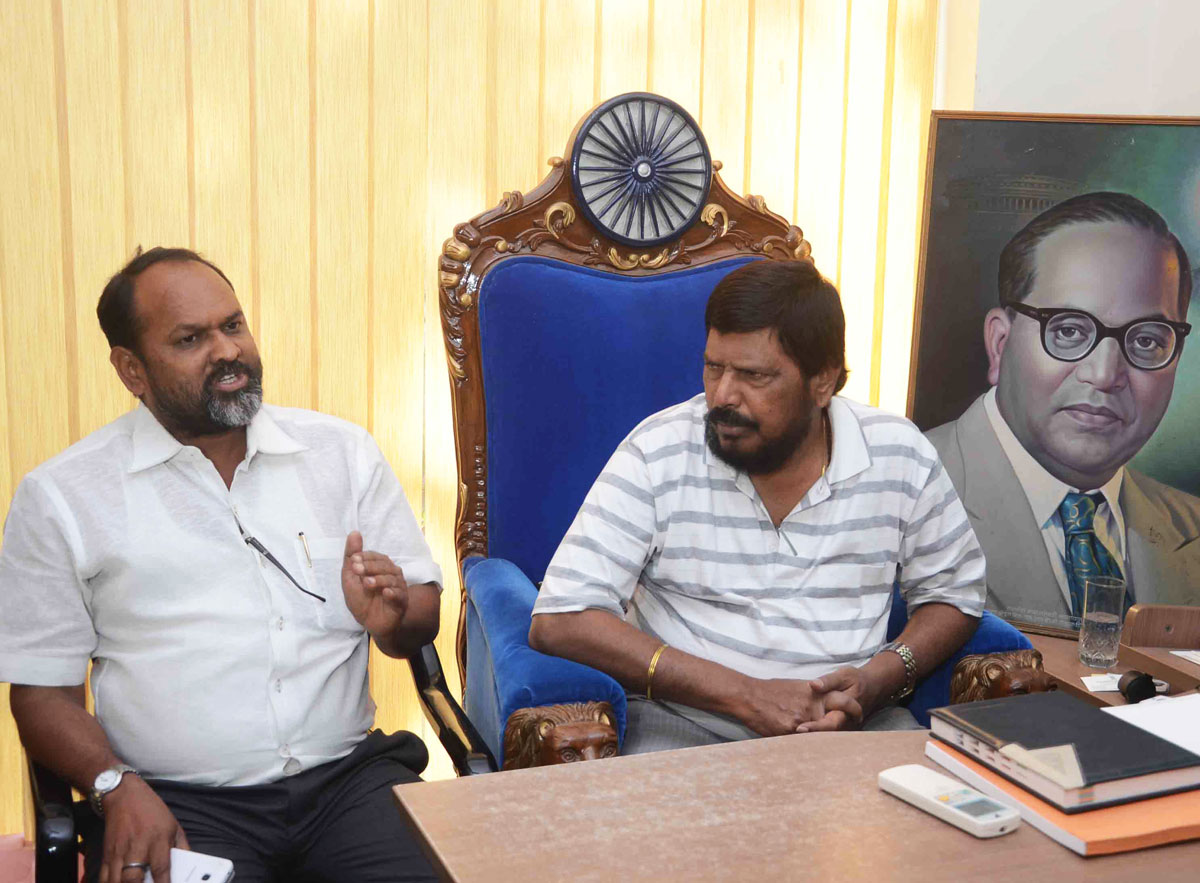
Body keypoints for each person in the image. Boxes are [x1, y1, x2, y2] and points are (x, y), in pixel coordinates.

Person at [0, 248, 440, 883]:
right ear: (132, 370)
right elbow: (41, 694)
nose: (227, 351)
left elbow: (418, 620)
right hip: (177, 804)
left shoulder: (339, 452)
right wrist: (115, 787)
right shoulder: (65, 495)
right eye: (190, 339)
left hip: (350, 785)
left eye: (232, 326)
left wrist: (394, 617)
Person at [528, 260, 986, 753]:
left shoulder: (899, 453)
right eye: (713, 366)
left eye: (753, 375)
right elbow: (562, 617)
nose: (722, 396)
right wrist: (746, 697)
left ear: (822, 381)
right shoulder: (658, 450)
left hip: (856, 729)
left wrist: (880, 679)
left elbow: (954, 593)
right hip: (683, 726)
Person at [927, 192, 1200, 630]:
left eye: (1147, 340)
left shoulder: (1193, 525)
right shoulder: (891, 501)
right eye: (1069, 330)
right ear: (1000, 344)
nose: (1105, 373)